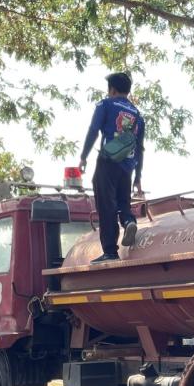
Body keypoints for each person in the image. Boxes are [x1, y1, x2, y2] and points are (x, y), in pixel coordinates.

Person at [78, 71, 145, 263]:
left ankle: (110, 251)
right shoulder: (137, 115)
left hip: (108, 161)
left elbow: (93, 131)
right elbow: (140, 148)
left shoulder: (105, 104)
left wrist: (83, 157)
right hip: (128, 165)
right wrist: (138, 177)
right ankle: (129, 221)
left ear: (112, 90)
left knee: (106, 205)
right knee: (123, 201)